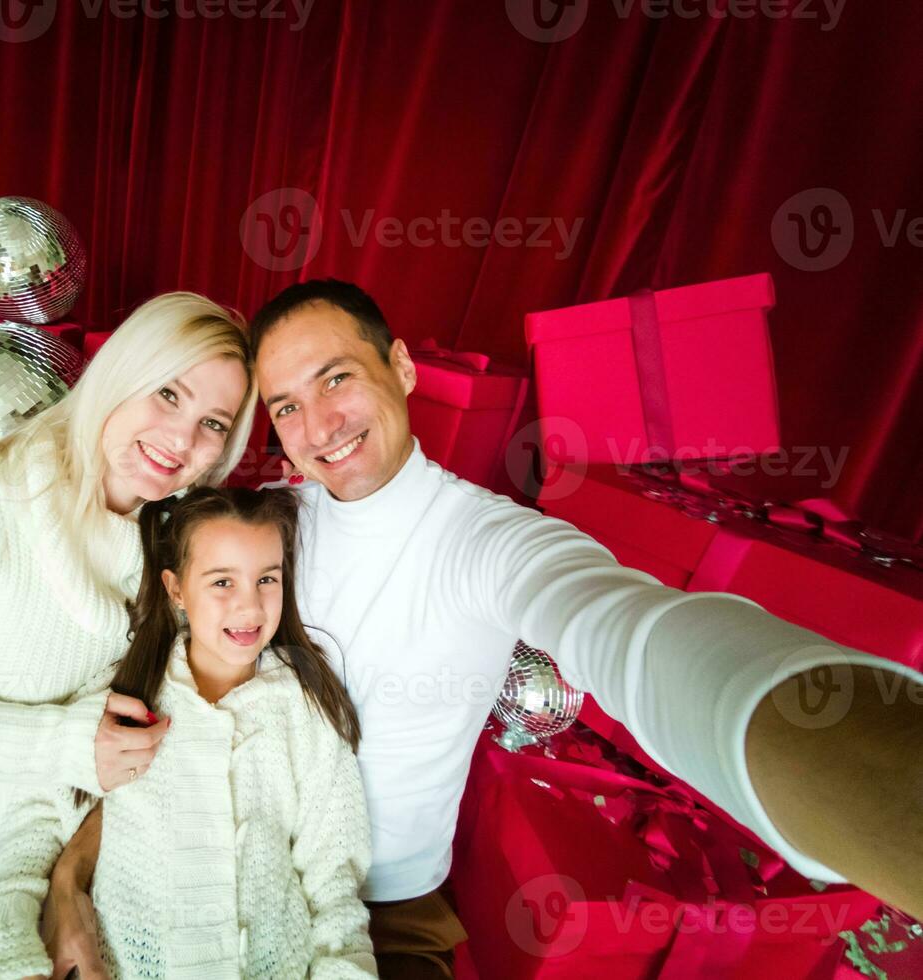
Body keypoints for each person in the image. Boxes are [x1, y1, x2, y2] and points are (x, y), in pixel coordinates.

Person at [47, 279, 923, 979]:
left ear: (401, 366)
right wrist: (70, 872)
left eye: (338, 379)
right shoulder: (263, 529)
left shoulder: (492, 541)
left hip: (382, 918)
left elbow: (634, 631)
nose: (317, 428)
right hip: (207, 862)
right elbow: (156, 706)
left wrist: (838, 753)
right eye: (284, 407)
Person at [0, 291, 259, 980]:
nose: (183, 441)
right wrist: (66, 743)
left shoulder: (184, 534)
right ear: (120, 373)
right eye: (167, 393)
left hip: (131, 838)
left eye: (213, 422)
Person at [0, 485, 376, 979]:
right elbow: (31, 831)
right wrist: (6, 957)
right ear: (177, 590)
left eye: (267, 578)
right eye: (222, 582)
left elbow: (334, 874)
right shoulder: (123, 694)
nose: (251, 606)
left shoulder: (304, 708)